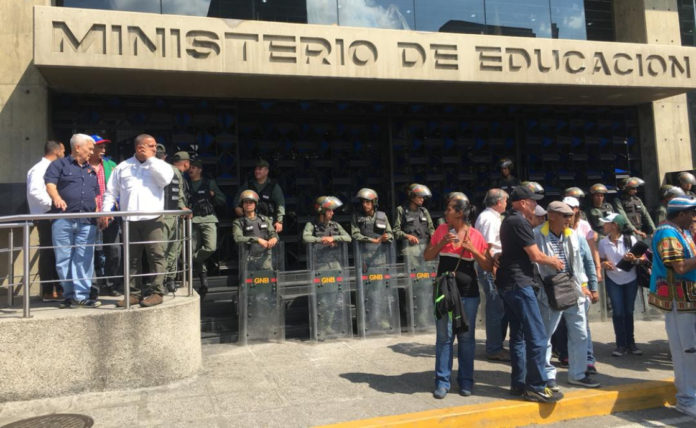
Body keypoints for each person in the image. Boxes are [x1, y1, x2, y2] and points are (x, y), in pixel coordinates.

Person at [495, 186, 564, 403]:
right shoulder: (519, 221)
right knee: (537, 336)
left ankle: (519, 383)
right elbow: (534, 255)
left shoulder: (510, 220)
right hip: (520, 284)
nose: (535, 206)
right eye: (533, 202)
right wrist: (553, 261)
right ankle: (536, 386)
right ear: (523, 202)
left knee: (519, 336)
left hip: (510, 283)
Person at [424, 192, 493, 399]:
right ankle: (442, 382)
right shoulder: (442, 230)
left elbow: (488, 266)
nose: (446, 212)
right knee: (444, 338)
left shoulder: (476, 235)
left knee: (466, 338)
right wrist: (441, 242)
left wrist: (474, 250)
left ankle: (466, 382)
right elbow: (428, 256)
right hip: (444, 292)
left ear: (460, 213)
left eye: (450, 209)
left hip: (468, 293)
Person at [102, 134, 174, 308]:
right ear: (139, 147)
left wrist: (151, 159)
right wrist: (105, 211)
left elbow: (165, 181)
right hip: (130, 220)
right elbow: (111, 192)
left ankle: (157, 292)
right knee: (132, 258)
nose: (155, 148)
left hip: (153, 218)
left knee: (156, 255)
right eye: (151, 145)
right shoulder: (123, 167)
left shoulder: (161, 165)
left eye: (155, 145)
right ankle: (133, 293)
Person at [534, 201, 599, 389]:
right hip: (550, 291)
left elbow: (584, 262)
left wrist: (589, 286)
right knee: (546, 334)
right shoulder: (537, 235)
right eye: (564, 215)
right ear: (552, 215)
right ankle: (547, 375)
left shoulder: (574, 235)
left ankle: (578, 374)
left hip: (575, 289)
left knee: (579, 333)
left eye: (570, 216)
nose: (569, 219)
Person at [648, 196, 696, 418]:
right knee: (685, 350)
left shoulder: (681, 230)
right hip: (679, 299)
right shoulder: (667, 233)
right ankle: (686, 399)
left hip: (689, 299)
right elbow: (680, 267)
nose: (694, 217)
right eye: (691, 213)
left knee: (691, 350)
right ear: (680, 214)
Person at [44, 133, 101, 308]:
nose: (92, 151)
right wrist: (57, 198)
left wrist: (98, 213)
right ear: (77, 147)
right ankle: (69, 295)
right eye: (90, 148)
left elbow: (96, 195)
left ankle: (82, 296)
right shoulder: (58, 165)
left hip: (87, 221)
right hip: (63, 219)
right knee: (64, 258)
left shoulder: (91, 170)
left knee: (84, 258)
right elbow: (50, 184)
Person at [598, 213, 643, 356]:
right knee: (618, 312)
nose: (603, 225)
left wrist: (634, 258)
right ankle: (620, 344)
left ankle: (631, 343)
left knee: (628, 312)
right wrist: (604, 264)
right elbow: (601, 260)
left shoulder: (631, 239)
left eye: (606, 223)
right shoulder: (603, 242)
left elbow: (642, 257)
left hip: (631, 278)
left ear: (615, 225)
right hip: (613, 280)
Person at [26, 140, 65, 300]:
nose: (64, 154)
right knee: (48, 252)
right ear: (56, 151)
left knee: (56, 252)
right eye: (63, 151)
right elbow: (35, 191)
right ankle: (48, 290)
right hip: (46, 216)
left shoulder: (48, 167)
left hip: (51, 215)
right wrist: (53, 204)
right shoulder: (40, 169)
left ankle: (58, 288)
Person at [474, 188, 510, 361]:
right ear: (498, 202)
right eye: (505, 201)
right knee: (495, 306)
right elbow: (487, 246)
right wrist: (492, 269)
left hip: (492, 265)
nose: (506, 203)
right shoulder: (489, 219)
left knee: (498, 306)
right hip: (491, 266)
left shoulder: (490, 217)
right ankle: (494, 348)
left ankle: (496, 345)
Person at [88, 134, 121, 298]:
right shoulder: (81, 165)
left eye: (104, 147)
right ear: (90, 147)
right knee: (90, 252)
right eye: (99, 146)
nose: (103, 150)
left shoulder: (111, 165)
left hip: (110, 216)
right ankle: (93, 287)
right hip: (89, 217)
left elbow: (119, 189)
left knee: (114, 251)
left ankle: (111, 284)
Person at [187, 159, 225, 296]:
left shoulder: (209, 183)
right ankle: (203, 282)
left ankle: (189, 261)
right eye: (190, 167)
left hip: (208, 219)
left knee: (210, 247)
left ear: (199, 169)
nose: (191, 170)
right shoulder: (186, 184)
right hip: (191, 221)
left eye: (194, 167)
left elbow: (222, 200)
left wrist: (213, 196)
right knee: (191, 249)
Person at [162, 151, 190, 293]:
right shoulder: (174, 172)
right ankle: (167, 279)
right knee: (171, 248)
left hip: (172, 215)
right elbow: (178, 195)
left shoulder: (169, 170)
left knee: (172, 248)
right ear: (186, 163)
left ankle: (167, 279)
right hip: (171, 216)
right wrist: (183, 208)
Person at [233, 159, 285, 233]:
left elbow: (280, 204)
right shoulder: (249, 184)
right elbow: (238, 197)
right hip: (251, 220)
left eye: (260, 169)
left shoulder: (273, 186)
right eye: (256, 169)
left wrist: (279, 221)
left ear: (266, 171)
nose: (257, 171)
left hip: (268, 221)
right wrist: (237, 207)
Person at [233, 190, 279, 271]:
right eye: (246, 202)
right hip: (248, 260)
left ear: (255, 204)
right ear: (242, 205)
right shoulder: (238, 222)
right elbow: (238, 238)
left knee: (268, 281)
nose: (248, 204)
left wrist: (274, 238)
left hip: (265, 259)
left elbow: (273, 234)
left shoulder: (265, 219)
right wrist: (257, 239)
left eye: (251, 202)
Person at [302, 196, 351, 268]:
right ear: (322, 211)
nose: (332, 213)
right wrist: (321, 239)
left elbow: (348, 238)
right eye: (329, 210)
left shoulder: (335, 225)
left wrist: (333, 238)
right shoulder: (311, 225)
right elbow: (305, 238)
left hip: (334, 261)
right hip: (319, 263)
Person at [393, 184, 435, 268]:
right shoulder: (401, 210)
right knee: (412, 279)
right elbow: (395, 231)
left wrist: (434, 241)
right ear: (412, 196)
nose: (422, 199)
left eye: (423, 197)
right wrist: (407, 236)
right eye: (419, 197)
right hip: (410, 251)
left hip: (425, 250)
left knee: (427, 278)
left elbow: (431, 229)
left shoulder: (424, 211)